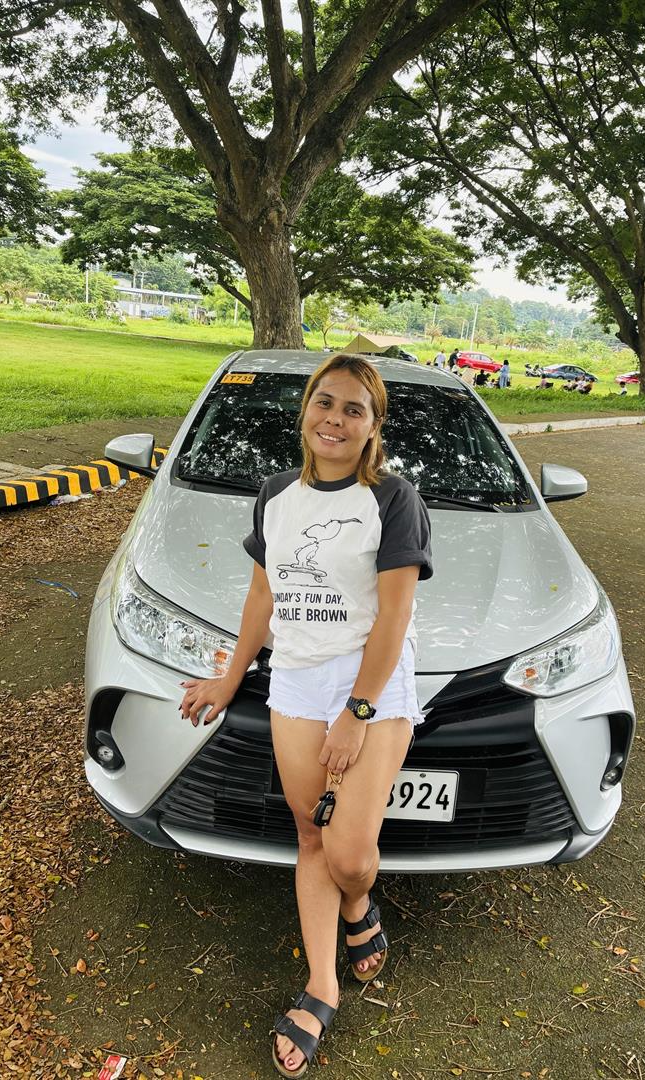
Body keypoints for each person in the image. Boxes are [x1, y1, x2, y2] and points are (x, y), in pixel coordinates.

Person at [179, 354, 432, 1078]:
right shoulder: (275, 494)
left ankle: (359, 900)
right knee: (312, 835)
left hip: (370, 680)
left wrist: (357, 711)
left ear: (373, 426)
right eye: (325, 402)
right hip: (294, 679)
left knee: (349, 854)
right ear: (306, 411)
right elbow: (263, 596)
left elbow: (394, 616)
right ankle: (324, 982)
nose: (335, 419)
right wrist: (230, 678)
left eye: (354, 409)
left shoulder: (393, 499)